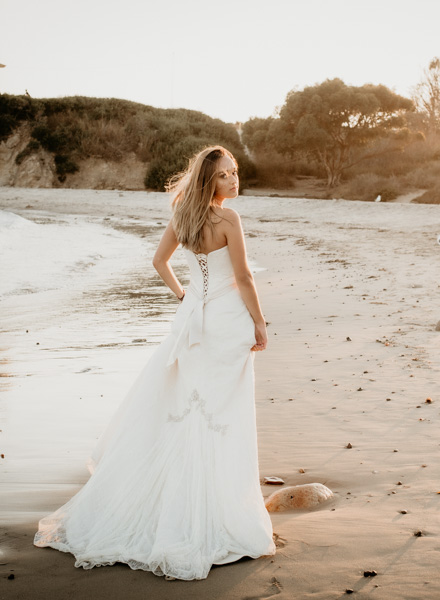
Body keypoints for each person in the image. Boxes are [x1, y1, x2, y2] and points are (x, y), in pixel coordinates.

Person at [34, 146, 275, 580]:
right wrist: (259, 322)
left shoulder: (184, 215)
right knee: (223, 413)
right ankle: (217, 512)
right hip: (224, 325)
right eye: (224, 175)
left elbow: (159, 261)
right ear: (209, 182)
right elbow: (243, 277)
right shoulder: (229, 220)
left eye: (235, 172)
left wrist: (185, 296)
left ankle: (180, 505)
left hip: (193, 320)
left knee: (188, 411)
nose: (234, 180)